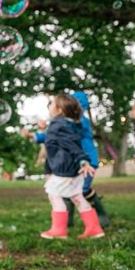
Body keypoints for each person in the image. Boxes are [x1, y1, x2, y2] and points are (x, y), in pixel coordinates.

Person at [41, 94, 104, 239]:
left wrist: (83, 159)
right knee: (77, 197)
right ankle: (94, 228)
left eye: (52, 104)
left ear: (59, 111)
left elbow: (71, 145)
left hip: (64, 170)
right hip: (73, 170)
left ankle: (58, 230)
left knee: (54, 195)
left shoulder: (58, 125)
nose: (49, 106)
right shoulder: (72, 125)